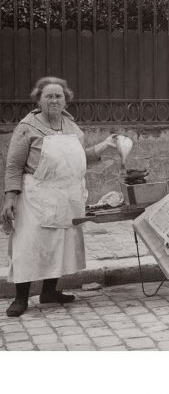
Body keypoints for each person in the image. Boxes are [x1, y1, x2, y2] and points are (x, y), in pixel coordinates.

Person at [1, 76, 118, 317]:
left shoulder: (70, 126)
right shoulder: (27, 127)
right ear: (39, 100)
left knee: (58, 246)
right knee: (29, 246)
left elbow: (78, 157)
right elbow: (13, 166)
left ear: (66, 100)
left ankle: (49, 292)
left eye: (59, 96)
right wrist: (10, 198)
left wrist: (105, 145)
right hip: (34, 196)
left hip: (64, 196)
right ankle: (21, 298)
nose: (54, 100)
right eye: (49, 96)